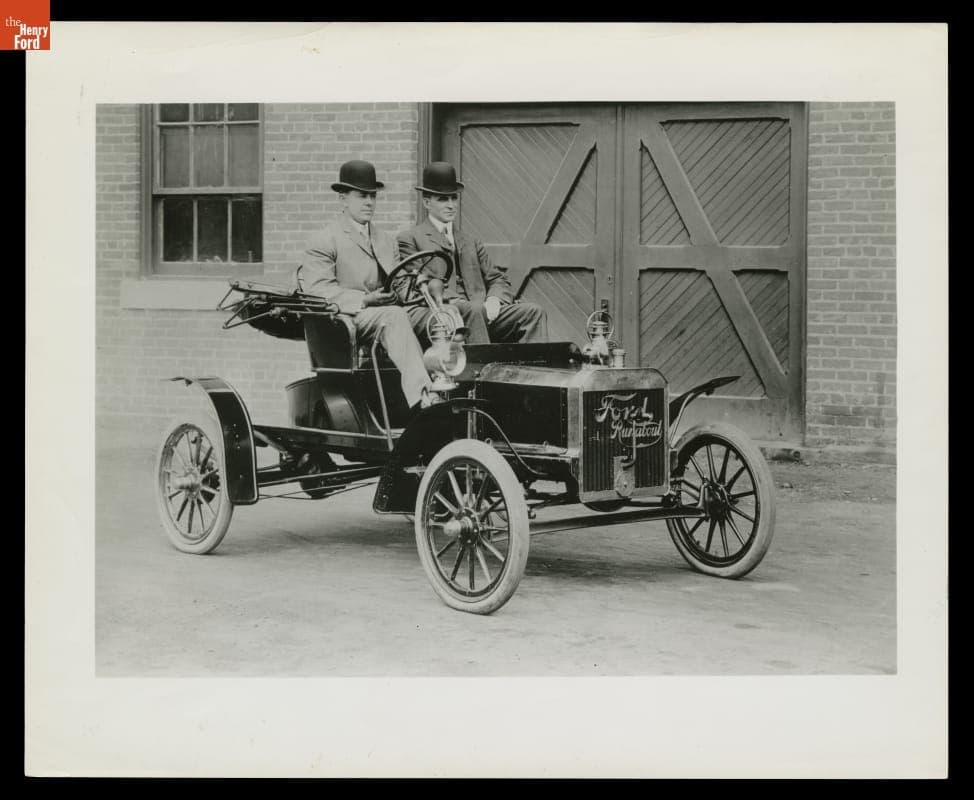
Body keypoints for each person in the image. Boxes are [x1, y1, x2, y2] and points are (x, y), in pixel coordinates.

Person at [295, 160, 440, 412]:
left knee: (440, 317)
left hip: (384, 313)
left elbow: (400, 287)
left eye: (372, 196)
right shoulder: (325, 238)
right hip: (347, 319)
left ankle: (449, 385)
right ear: (343, 199)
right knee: (394, 316)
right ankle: (424, 395)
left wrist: (423, 285)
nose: (369, 202)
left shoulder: (385, 240)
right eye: (362, 196)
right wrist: (365, 300)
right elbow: (318, 292)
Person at [396, 162, 548, 346]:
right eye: (443, 199)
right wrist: (469, 305)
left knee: (533, 312)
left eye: (454, 198)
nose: (451, 205)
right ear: (427, 202)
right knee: (472, 310)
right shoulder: (410, 238)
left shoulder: (470, 241)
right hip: (448, 315)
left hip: (482, 310)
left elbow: (497, 278)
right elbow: (421, 286)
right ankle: (482, 372)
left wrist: (494, 300)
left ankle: (534, 374)